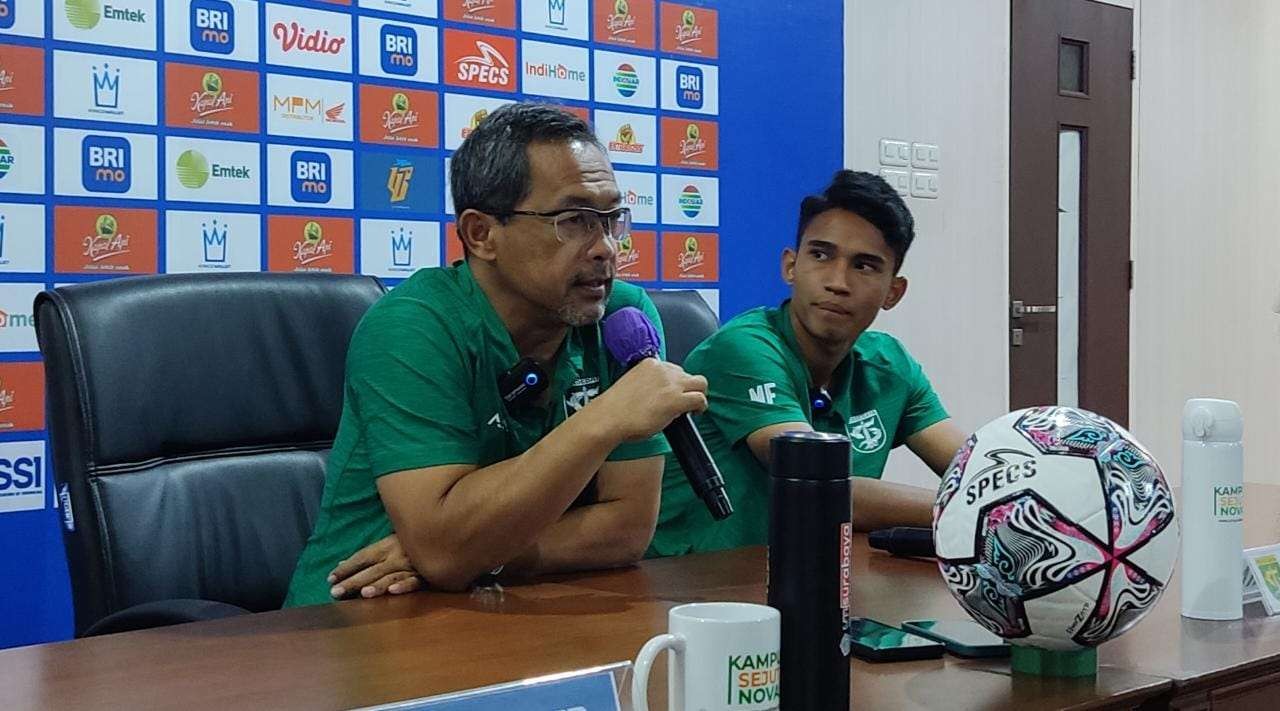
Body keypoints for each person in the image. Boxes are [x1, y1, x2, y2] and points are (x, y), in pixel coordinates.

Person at [283, 103, 708, 605]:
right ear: (481, 234)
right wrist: (604, 420)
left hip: (514, 605)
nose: (606, 249)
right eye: (573, 221)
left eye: (611, 219)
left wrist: (485, 554)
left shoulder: (623, 319)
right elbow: (443, 551)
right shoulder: (413, 326)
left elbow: (627, 528)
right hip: (360, 617)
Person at [647, 170, 967, 557]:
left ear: (893, 292)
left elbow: (975, 468)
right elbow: (817, 483)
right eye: (821, 255)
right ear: (790, 267)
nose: (837, 281)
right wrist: (973, 508)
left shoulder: (890, 363)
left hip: (811, 575)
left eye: (864, 266)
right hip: (688, 588)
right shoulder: (742, 348)